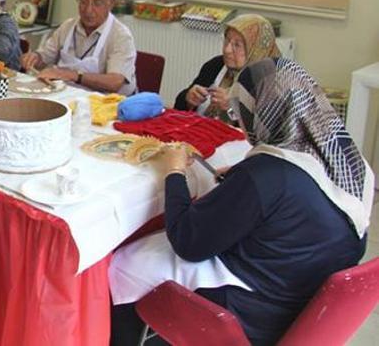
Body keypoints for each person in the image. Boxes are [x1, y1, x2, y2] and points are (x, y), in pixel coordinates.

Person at [109, 57, 374, 345]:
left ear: (263, 114)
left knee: (125, 264)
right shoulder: (349, 161)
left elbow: (188, 241)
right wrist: (243, 179)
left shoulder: (266, 176)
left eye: (243, 111)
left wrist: (174, 172)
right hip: (304, 301)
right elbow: (302, 192)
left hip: (255, 314)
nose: (240, 119)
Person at [20, 0, 137, 95]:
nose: (88, 10)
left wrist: (73, 75)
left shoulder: (121, 36)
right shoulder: (67, 27)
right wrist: (35, 57)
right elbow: (45, 56)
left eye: (97, 3)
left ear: (111, 4)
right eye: (83, 1)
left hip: (107, 105)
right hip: (69, 96)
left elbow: (115, 82)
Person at [174, 14, 280, 122]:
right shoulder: (216, 65)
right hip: (199, 132)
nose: (227, 50)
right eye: (227, 41)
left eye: (237, 45)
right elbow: (178, 108)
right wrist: (188, 98)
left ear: (256, 49)